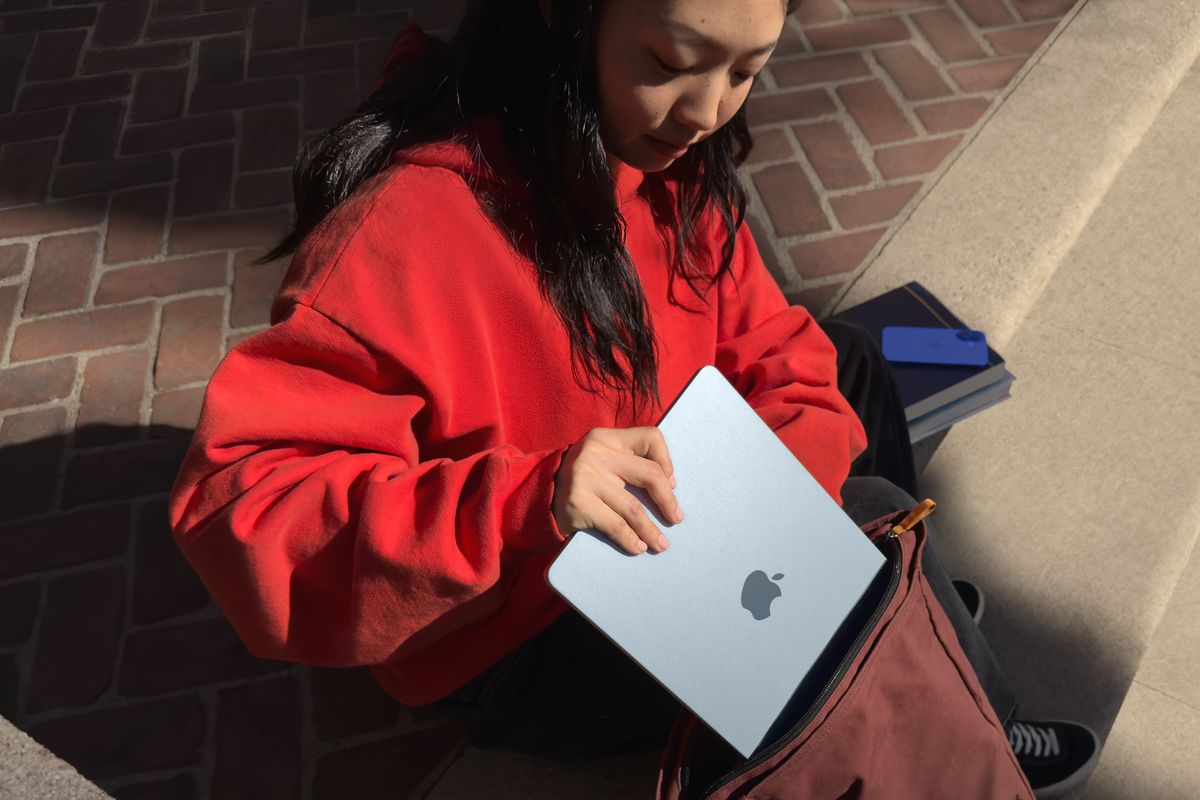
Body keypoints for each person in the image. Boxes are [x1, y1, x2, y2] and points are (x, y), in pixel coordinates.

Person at [167, 0, 1098, 795]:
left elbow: (780, 345)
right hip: (516, 622)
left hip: (658, 526)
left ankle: (897, 630)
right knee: (873, 517)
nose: (704, 111)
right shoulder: (402, 235)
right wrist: (528, 499)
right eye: (670, 63)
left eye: (746, 70)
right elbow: (244, 509)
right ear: (569, 15)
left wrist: (785, 520)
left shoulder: (671, 168)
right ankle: (947, 697)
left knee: (855, 373)